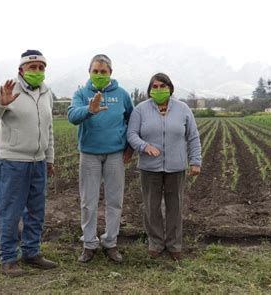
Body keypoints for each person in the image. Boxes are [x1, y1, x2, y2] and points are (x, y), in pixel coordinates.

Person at [0, 49, 57, 277]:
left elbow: (49, 129)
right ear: (21, 69)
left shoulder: (46, 92)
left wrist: (49, 158)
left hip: (38, 162)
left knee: (36, 211)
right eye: (33, 67)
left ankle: (31, 253)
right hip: (13, 161)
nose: (37, 71)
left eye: (41, 67)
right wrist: (1, 104)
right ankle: (8, 259)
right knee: (10, 212)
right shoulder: (8, 88)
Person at [126, 73, 202, 261]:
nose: (159, 89)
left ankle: (174, 244)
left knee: (174, 207)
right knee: (151, 207)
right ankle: (156, 243)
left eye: (163, 86)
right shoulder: (141, 110)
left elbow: (192, 136)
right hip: (149, 168)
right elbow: (132, 134)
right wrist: (144, 146)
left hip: (176, 167)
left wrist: (195, 161)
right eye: (155, 86)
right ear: (150, 89)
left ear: (170, 88)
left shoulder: (183, 109)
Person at [67, 54, 134, 263]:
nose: (99, 75)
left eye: (103, 72)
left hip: (115, 154)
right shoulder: (81, 93)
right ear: (89, 72)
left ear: (110, 73)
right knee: (89, 202)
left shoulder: (122, 94)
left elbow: (132, 121)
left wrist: (130, 149)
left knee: (115, 200)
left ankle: (111, 243)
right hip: (89, 155)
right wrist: (90, 109)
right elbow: (72, 116)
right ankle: (89, 244)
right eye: (95, 71)